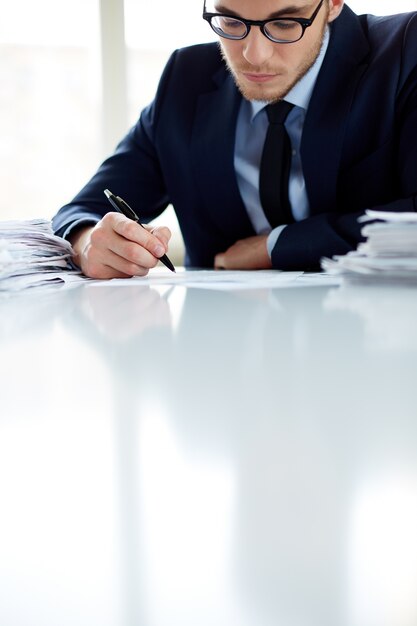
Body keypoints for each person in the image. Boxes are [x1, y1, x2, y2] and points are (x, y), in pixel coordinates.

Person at [52, 0, 417, 278]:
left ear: (333, 3)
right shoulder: (185, 79)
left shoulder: (404, 52)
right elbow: (82, 210)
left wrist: (276, 247)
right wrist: (89, 243)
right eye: (230, 21)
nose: (253, 56)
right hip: (218, 354)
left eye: (285, 23)